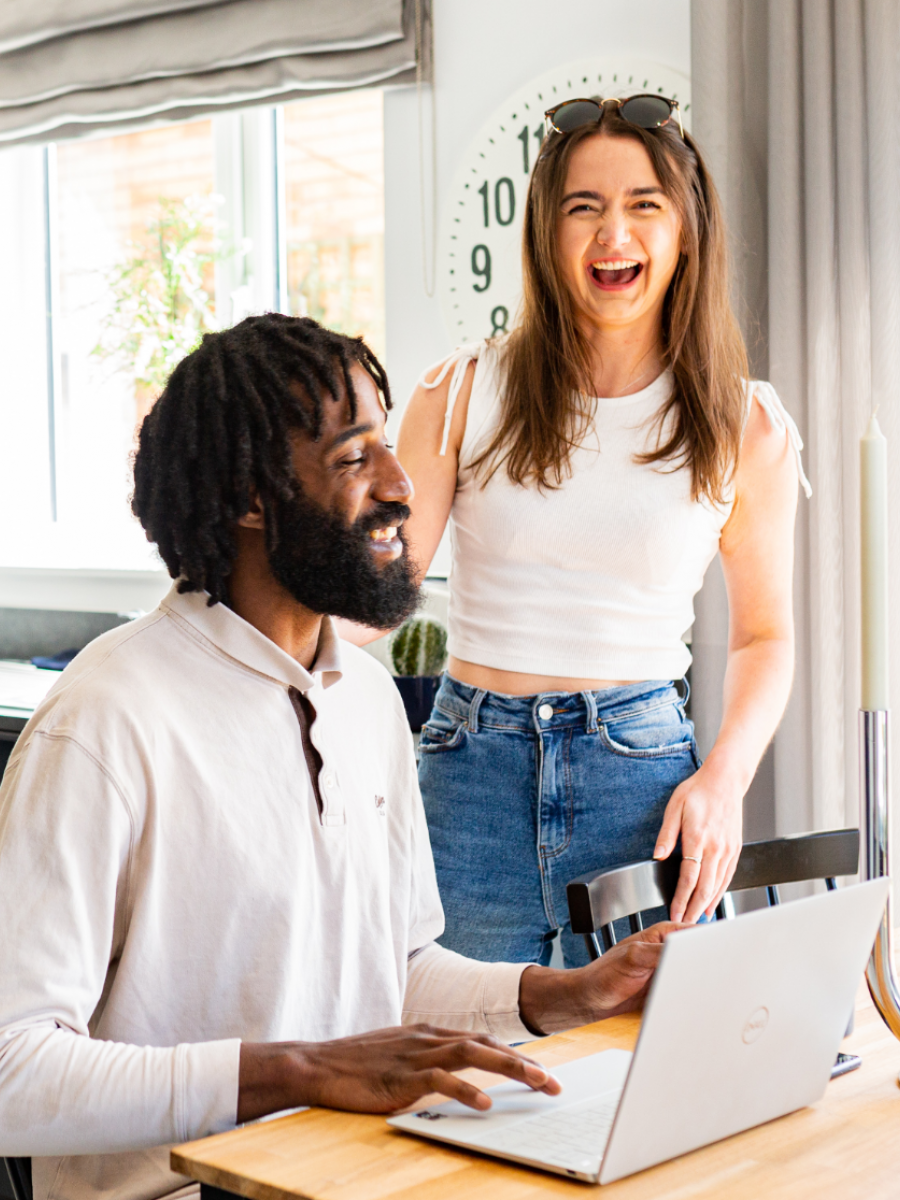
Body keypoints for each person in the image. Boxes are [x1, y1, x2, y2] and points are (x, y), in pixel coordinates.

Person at [0, 315, 673, 1200]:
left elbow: (387, 972)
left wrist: (561, 995)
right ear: (251, 496)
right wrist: (299, 1071)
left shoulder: (365, 701)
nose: (402, 485)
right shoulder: (103, 721)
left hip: (350, 1176)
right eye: (356, 459)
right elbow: (12, 1071)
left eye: (389, 446)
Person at [389, 96, 810, 966]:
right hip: (469, 781)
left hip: (644, 792)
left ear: (687, 230)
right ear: (547, 237)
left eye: (643, 205)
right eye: (583, 208)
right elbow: (374, 599)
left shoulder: (745, 425)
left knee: (642, 1079)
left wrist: (724, 782)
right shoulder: (459, 393)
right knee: (462, 1071)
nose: (612, 234)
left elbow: (766, 637)